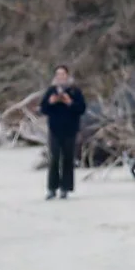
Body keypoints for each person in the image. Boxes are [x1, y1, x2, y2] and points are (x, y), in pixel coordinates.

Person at [40, 65, 86, 200]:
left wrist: (69, 102)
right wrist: (51, 102)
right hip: (54, 129)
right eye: (58, 74)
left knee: (68, 158)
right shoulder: (51, 91)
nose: (60, 77)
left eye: (63, 74)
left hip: (70, 129)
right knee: (54, 158)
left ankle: (65, 188)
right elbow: (43, 109)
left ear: (67, 76)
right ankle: (52, 188)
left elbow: (82, 109)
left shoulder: (75, 91)